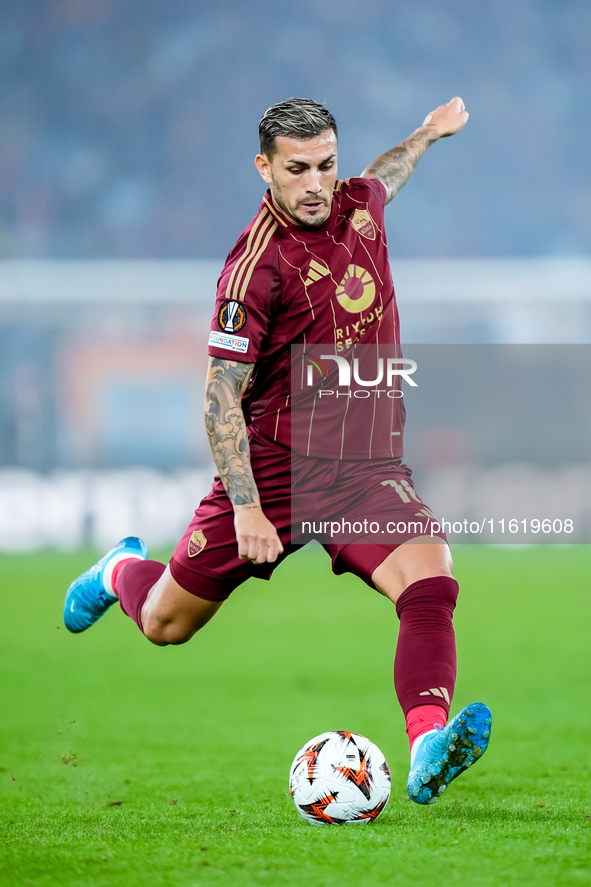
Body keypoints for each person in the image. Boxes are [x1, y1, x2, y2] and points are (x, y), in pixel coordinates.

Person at [64, 96, 491, 806]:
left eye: (325, 164)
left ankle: (426, 744)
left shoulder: (358, 203)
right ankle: (118, 572)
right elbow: (217, 396)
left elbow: (387, 171)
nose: (316, 183)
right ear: (263, 168)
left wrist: (427, 134)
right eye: (297, 170)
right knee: (167, 623)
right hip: (272, 471)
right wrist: (247, 506)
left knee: (429, 581)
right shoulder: (253, 270)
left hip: (363, 468)